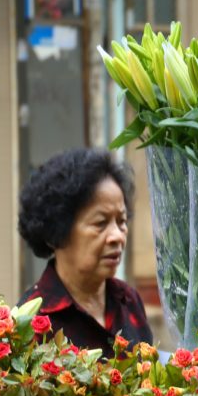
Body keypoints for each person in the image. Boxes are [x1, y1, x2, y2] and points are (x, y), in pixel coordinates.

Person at [18, 148, 153, 355]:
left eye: (122, 221)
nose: (117, 236)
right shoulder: (32, 320)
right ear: (57, 233)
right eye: (100, 223)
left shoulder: (129, 301)